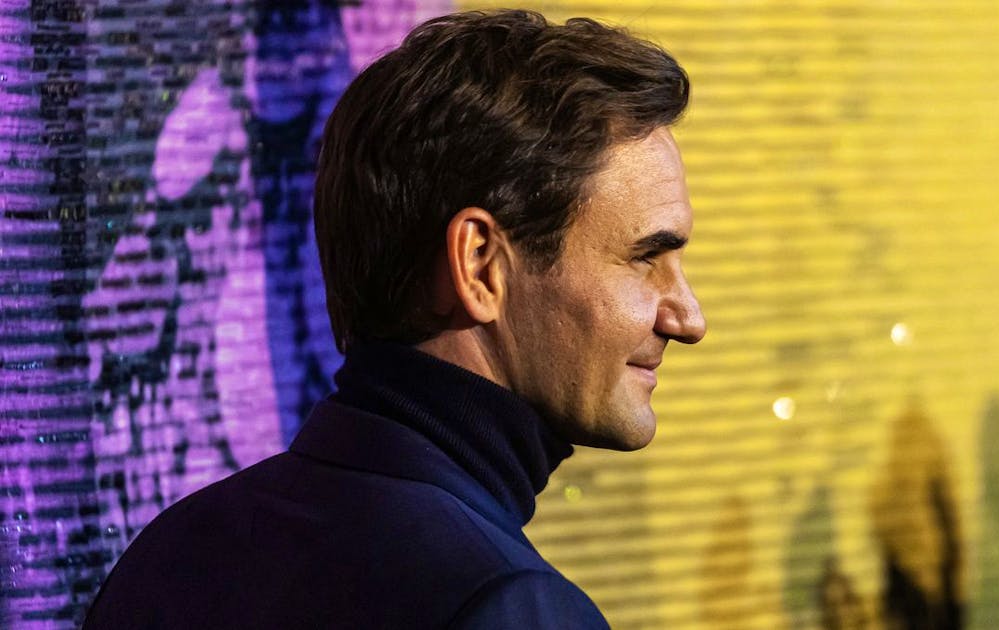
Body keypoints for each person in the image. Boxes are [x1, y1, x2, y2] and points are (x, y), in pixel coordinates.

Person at [83, 9, 705, 629]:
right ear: (480, 265)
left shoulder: (171, 555)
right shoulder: (506, 605)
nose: (689, 319)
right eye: (644, 259)